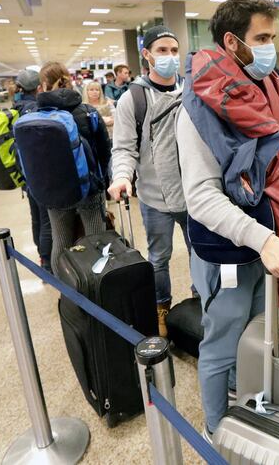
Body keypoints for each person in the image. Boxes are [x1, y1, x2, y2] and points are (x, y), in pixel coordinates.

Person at [176, 0, 279, 439]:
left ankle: (244, 401)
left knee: (254, 332)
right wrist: (265, 240)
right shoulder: (199, 106)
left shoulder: (265, 91)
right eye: (264, 37)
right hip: (228, 249)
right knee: (221, 343)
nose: (272, 46)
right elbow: (201, 198)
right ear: (233, 43)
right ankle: (218, 431)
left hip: (262, 241)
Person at [108, 25, 193, 338]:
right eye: (162, 51)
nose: (169, 56)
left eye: (173, 50)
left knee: (200, 253)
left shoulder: (191, 92)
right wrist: (121, 177)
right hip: (153, 196)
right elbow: (124, 147)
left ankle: (202, 303)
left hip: (193, 194)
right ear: (146, 55)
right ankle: (161, 308)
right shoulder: (133, 98)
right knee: (159, 257)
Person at [37, 62, 111, 273]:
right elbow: (104, 151)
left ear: (44, 84)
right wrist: (102, 180)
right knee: (96, 239)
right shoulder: (87, 112)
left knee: (60, 240)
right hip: (87, 187)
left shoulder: (33, 115)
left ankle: (67, 291)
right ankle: (97, 286)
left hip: (54, 191)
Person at [13, 69, 52, 272]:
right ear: (39, 87)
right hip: (39, 171)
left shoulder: (16, 107)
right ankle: (46, 261)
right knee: (46, 219)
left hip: (25, 170)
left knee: (36, 216)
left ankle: (41, 254)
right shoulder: (36, 108)